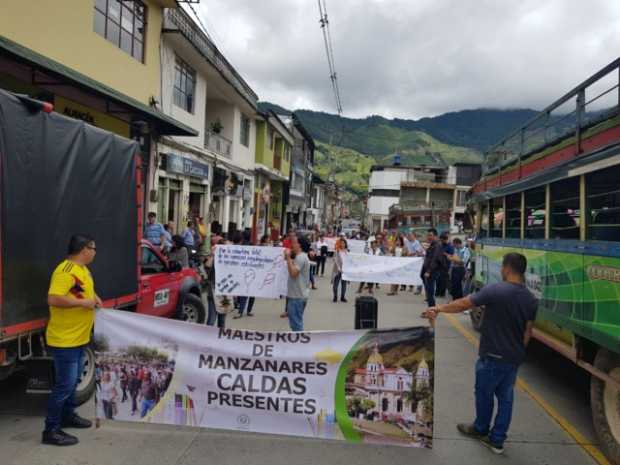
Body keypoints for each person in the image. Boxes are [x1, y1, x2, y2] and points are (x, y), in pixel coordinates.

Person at [422, 253, 538, 455]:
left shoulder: (496, 290)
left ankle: (481, 429)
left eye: (502, 267)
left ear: (507, 268)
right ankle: (498, 439)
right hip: (513, 357)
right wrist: (518, 353)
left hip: (492, 355)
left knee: (484, 394)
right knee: (506, 398)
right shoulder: (530, 299)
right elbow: (528, 331)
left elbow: (464, 304)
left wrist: (439, 308)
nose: (501, 270)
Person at [43, 234, 102, 446]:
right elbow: (53, 298)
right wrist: (82, 304)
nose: (95, 252)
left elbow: (80, 293)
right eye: (93, 248)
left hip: (79, 338)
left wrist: (93, 298)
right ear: (84, 249)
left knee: (73, 382)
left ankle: (68, 416)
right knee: (64, 386)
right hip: (64, 340)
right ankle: (51, 430)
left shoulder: (83, 270)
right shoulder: (65, 271)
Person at [284, 235, 311, 331]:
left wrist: (288, 258)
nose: (292, 245)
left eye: (294, 243)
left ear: (299, 245)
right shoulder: (301, 257)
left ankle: (299, 344)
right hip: (298, 295)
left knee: (296, 326)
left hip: (297, 297)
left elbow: (293, 273)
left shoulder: (300, 258)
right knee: (296, 323)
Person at [421, 228, 444, 309]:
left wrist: (428, 271)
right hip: (428, 270)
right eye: (428, 235)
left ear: (435, 236)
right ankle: (431, 308)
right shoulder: (432, 245)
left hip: (432, 271)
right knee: (428, 290)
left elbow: (434, 259)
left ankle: (432, 309)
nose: (429, 237)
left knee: (430, 291)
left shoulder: (437, 245)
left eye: (430, 235)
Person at [435, 232, 454, 297]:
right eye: (440, 240)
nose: (441, 241)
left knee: (443, 280)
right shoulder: (440, 245)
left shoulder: (450, 246)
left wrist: (444, 253)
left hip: (446, 265)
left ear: (445, 239)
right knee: (438, 279)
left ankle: (442, 293)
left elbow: (451, 255)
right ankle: (437, 292)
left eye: (442, 240)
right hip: (439, 264)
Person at [331, 237, 348, 303]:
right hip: (337, 270)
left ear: (345, 244)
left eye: (343, 243)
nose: (342, 244)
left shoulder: (347, 251)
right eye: (341, 243)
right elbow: (334, 259)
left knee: (344, 285)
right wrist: (339, 268)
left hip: (344, 271)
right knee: (335, 285)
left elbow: (349, 261)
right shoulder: (337, 251)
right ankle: (335, 296)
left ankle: (342, 297)